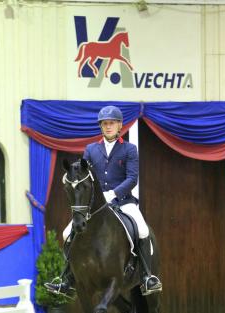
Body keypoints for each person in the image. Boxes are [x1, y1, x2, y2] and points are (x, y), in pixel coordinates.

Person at [45, 105, 162, 296]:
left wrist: (114, 193)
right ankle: (67, 280)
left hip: (123, 202)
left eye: (112, 123)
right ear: (101, 126)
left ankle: (147, 277)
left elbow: (132, 178)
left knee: (141, 228)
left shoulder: (129, 149)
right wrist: (70, 177)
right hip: (97, 206)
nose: (108, 127)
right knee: (68, 233)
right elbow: (83, 173)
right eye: (105, 124)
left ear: (119, 126)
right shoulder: (91, 150)